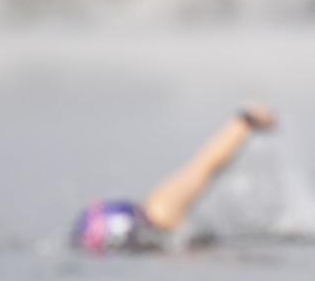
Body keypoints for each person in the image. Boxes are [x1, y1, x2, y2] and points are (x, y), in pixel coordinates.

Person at [70, 105, 277, 252]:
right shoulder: (161, 213)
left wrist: (244, 124)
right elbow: (206, 166)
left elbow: (207, 166)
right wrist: (244, 124)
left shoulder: (162, 211)